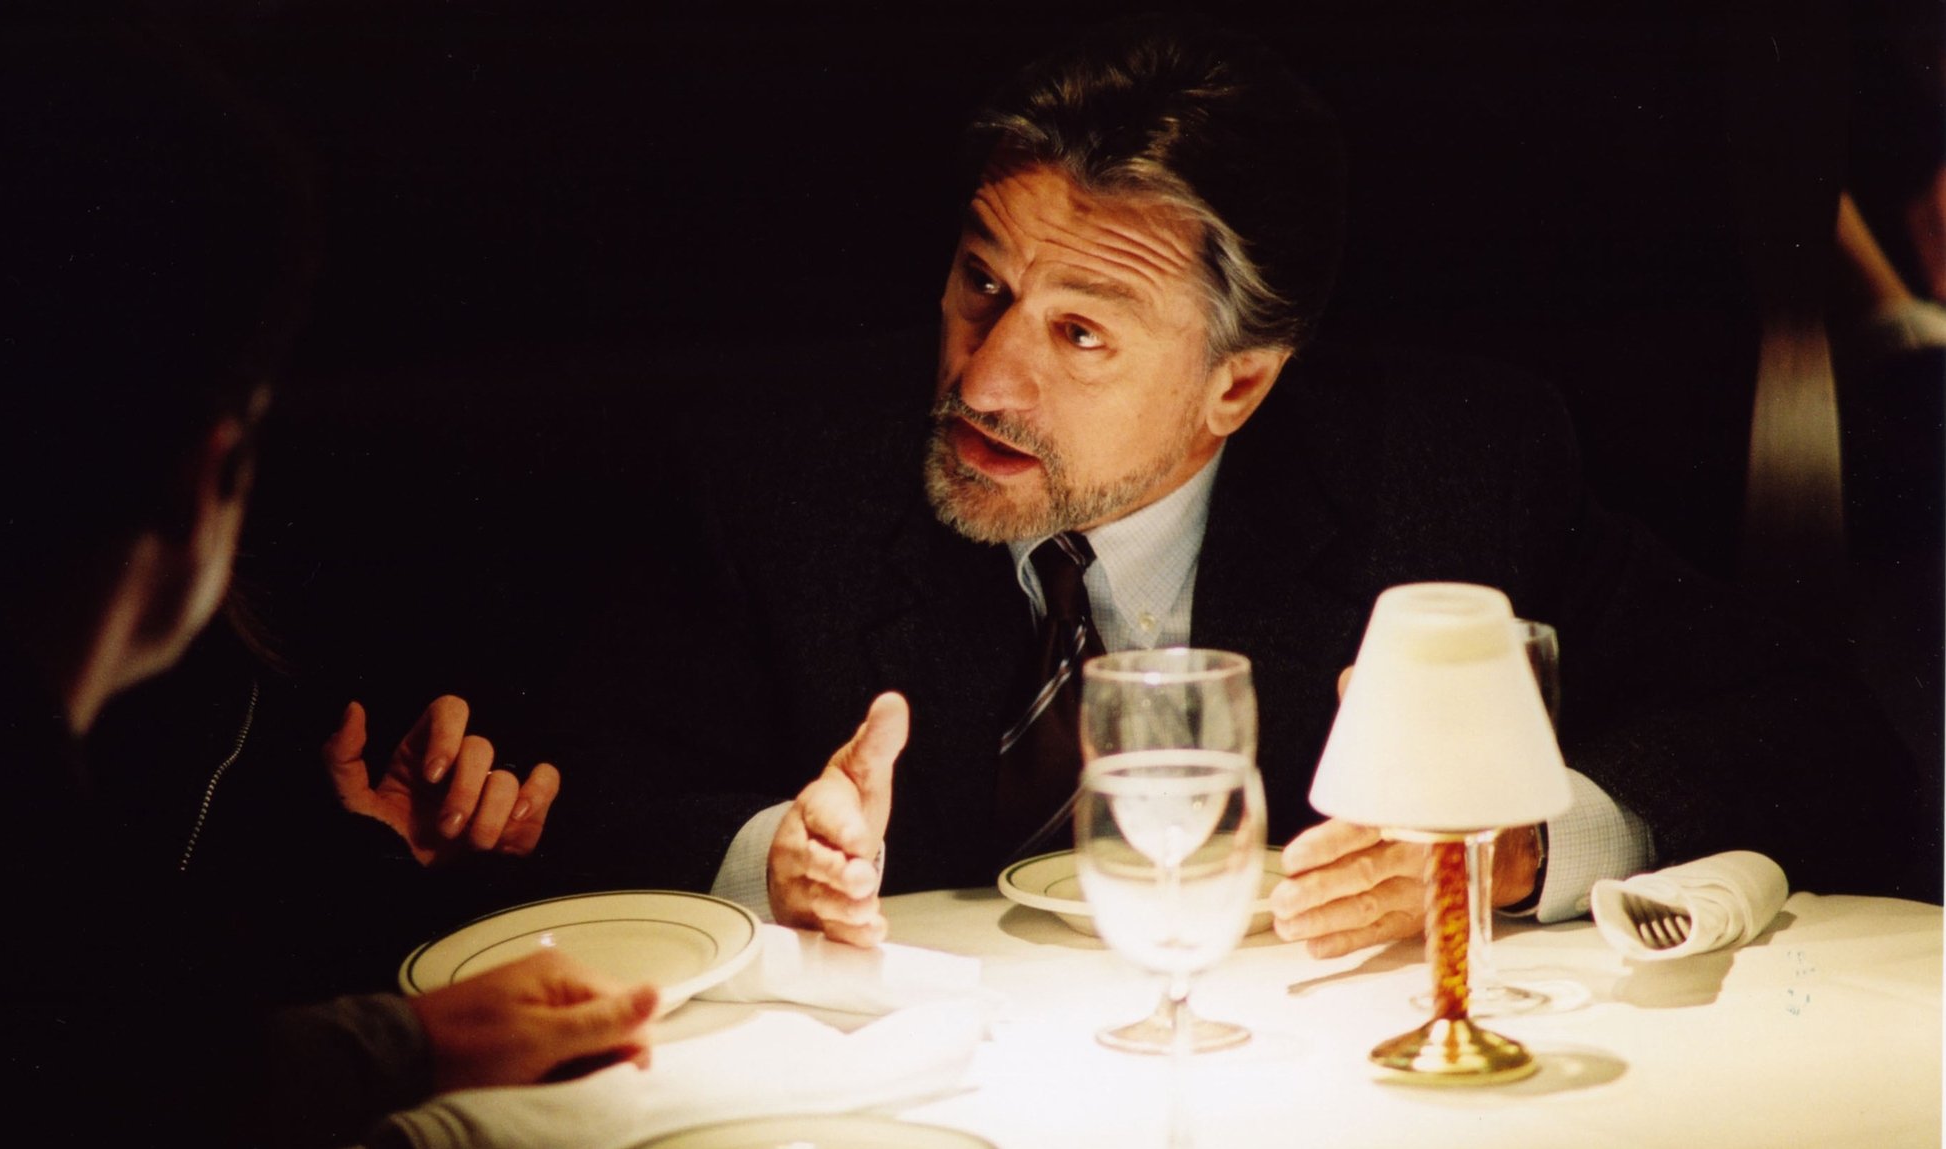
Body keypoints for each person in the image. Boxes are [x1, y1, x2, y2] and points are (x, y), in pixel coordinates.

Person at [542, 15, 1936, 956]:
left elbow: (1815, 743)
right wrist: (770, 860)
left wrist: (1521, 845)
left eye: (1081, 334)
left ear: (1238, 385)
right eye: (982, 283)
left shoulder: (1447, 474)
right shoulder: (796, 467)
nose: (985, 378)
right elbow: (580, 787)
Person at [0, 5, 652, 1145]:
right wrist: (410, 1045)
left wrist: (359, 866)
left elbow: (123, 1034)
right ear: (208, 468)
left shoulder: (118, 730)